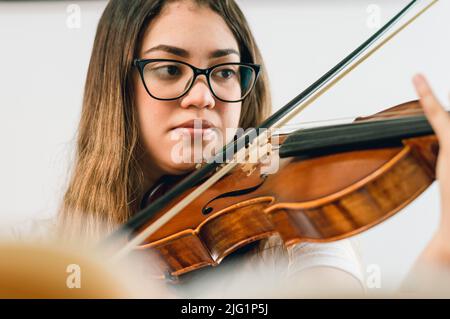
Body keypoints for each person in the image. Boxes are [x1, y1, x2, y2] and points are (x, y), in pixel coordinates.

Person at [6, 0, 450, 297]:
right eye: (168, 69)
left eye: (223, 72)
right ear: (117, 89)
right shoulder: (39, 253)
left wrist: (443, 253)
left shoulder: (298, 234)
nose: (202, 96)